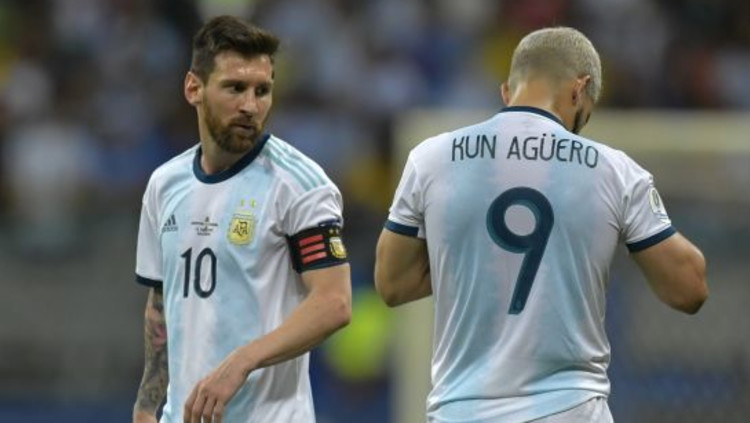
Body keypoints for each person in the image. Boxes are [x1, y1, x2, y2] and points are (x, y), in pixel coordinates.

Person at [374, 27, 708, 423]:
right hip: (570, 410)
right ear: (579, 90)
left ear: (507, 92)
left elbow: (392, 284)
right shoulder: (614, 171)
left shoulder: (431, 159)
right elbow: (689, 289)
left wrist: (476, 259)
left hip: (461, 411)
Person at [132, 15, 352, 423]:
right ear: (194, 88)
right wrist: (147, 407)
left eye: (262, 90)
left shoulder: (299, 184)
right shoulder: (165, 184)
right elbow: (161, 304)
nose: (250, 106)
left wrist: (242, 361)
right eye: (235, 88)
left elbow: (334, 303)